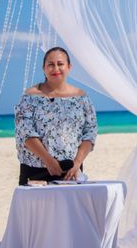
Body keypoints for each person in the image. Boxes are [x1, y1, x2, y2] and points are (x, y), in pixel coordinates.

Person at [14, 46, 97, 186]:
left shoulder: (82, 97)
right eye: (50, 64)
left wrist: (77, 163)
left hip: (72, 171)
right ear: (44, 68)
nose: (55, 68)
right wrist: (49, 161)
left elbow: (90, 132)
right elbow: (25, 133)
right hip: (36, 170)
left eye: (60, 64)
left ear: (69, 67)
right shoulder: (30, 96)